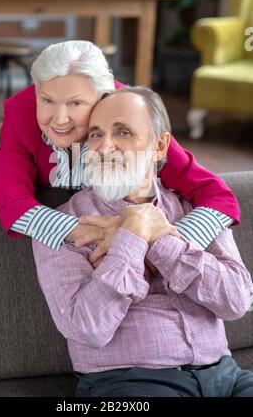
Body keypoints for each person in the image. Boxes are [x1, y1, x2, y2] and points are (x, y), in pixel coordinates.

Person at [32, 86, 253, 397]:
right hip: (130, 383)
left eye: (123, 132)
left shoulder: (199, 209)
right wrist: (133, 236)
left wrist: (160, 238)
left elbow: (236, 301)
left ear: (159, 145)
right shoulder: (63, 226)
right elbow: (86, 328)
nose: (105, 147)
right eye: (95, 134)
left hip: (227, 376)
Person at [0, 40, 239, 261]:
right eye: (46, 100)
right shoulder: (18, 113)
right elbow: (13, 202)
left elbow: (217, 196)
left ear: (104, 97)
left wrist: (163, 241)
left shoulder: (133, 114)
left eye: (76, 103)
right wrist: (101, 233)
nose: (59, 119)